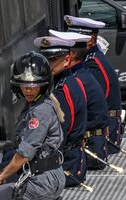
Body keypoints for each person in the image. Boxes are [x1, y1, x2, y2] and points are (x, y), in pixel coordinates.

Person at [0, 51, 65, 200]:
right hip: (42, 176)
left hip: (43, 183)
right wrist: (0, 175)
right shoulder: (38, 105)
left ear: (43, 85)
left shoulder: (39, 112)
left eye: (33, 86)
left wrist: (0, 179)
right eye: (24, 86)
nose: (28, 91)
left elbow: (24, 154)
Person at [50, 30, 109, 170]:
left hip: (77, 158)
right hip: (86, 150)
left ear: (69, 57)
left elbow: (64, 130)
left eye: (52, 59)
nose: (48, 64)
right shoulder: (74, 77)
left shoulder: (70, 84)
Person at [64, 15, 123, 154]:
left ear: (90, 40)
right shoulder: (92, 58)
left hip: (103, 136)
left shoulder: (92, 65)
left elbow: (90, 107)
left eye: (75, 38)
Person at [35, 36, 88, 187]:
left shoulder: (61, 92)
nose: (46, 65)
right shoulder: (64, 82)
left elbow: (58, 137)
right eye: (43, 60)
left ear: (66, 60)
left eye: (51, 60)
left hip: (64, 166)